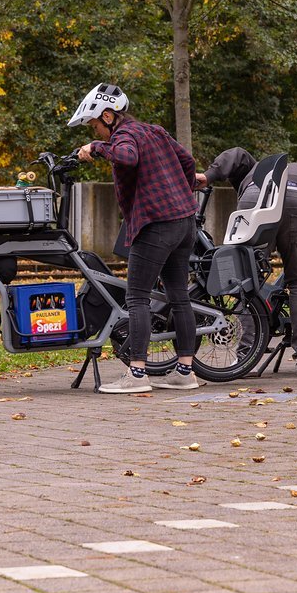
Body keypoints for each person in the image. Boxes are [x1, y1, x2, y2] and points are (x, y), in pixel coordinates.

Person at [72, 83, 201, 393]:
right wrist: (181, 194)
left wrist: (96, 148)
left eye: (95, 126)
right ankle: (185, 371)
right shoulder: (155, 131)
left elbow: (126, 157)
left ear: (108, 115)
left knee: (137, 298)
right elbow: (189, 163)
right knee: (179, 297)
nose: (97, 132)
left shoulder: (123, 136)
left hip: (156, 226)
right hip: (184, 222)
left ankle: (137, 375)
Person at [197, 148, 297, 376]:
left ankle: (246, 358)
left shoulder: (253, 169)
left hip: (255, 198)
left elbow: (237, 153)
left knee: (246, 282)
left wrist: (209, 175)